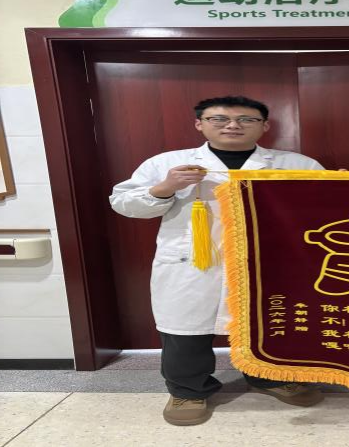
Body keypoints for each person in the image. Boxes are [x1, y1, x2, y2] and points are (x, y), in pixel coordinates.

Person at [110, 96, 326, 426]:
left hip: (269, 262)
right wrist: (165, 187)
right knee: (185, 330)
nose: (233, 125)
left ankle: (271, 378)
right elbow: (124, 203)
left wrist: (343, 188)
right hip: (193, 263)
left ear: (265, 126)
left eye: (246, 119)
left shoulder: (297, 164)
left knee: (270, 326)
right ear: (200, 124)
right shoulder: (168, 163)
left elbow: (329, 209)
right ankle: (187, 391)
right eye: (219, 119)